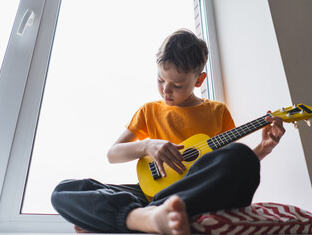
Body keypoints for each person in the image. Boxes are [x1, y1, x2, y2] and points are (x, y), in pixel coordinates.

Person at [51, 29, 285, 235]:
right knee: (65, 190)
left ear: (199, 80)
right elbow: (113, 154)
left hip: (192, 194)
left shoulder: (217, 112)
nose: (166, 90)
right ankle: (147, 217)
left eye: (177, 85)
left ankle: (135, 218)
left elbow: (225, 168)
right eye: (160, 80)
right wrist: (146, 145)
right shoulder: (148, 111)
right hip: (148, 195)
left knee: (242, 157)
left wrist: (262, 150)